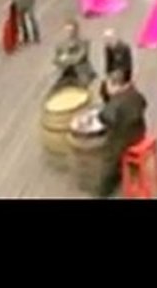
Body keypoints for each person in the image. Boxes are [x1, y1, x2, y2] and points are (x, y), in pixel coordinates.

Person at [96, 67, 147, 198]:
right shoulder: (134, 93)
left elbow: (104, 117)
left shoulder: (116, 102)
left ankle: (104, 190)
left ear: (115, 86)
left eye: (108, 85)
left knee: (109, 157)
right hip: (139, 132)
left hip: (125, 140)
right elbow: (144, 103)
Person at [52, 20, 97, 92]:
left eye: (71, 30)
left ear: (76, 30)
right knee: (57, 88)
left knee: (82, 88)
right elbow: (56, 60)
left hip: (80, 70)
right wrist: (63, 60)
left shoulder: (83, 41)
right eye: (67, 31)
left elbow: (80, 57)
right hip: (65, 71)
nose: (69, 33)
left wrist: (66, 59)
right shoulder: (61, 44)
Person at [99, 30, 134, 102]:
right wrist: (107, 77)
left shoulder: (124, 48)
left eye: (108, 39)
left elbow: (127, 66)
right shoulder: (107, 48)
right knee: (103, 89)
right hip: (113, 73)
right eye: (105, 40)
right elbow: (108, 63)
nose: (107, 42)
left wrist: (118, 76)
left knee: (115, 89)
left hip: (123, 73)